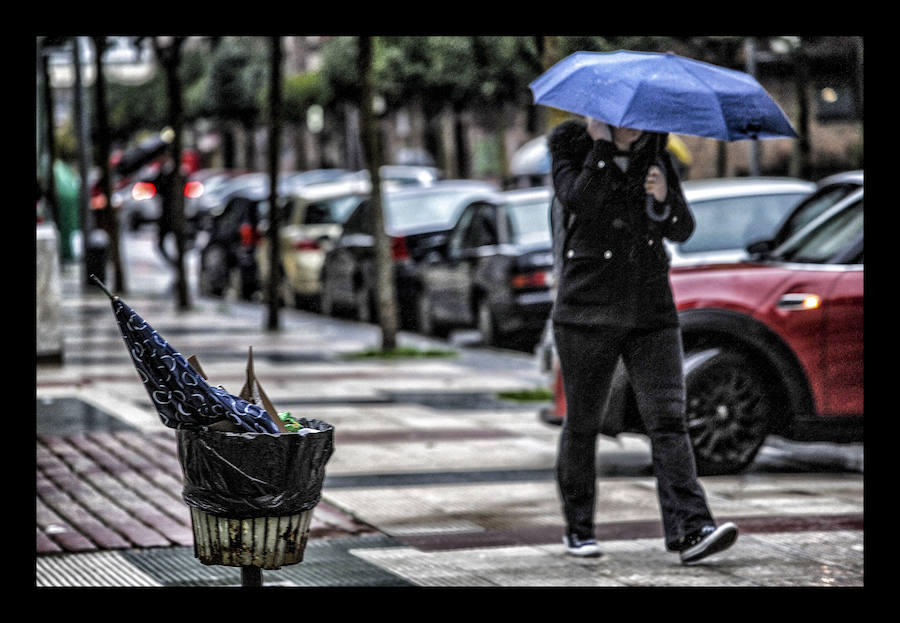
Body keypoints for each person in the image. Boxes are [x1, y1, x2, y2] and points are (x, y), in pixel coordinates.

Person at [548, 116, 738, 564]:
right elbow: (580, 200)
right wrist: (598, 150)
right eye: (624, 123)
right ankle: (579, 528)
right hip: (587, 311)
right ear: (604, 119)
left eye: (640, 122)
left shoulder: (658, 157)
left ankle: (692, 530)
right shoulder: (571, 149)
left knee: (669, 421)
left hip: (651, 311)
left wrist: (663, 196)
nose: (635, 129)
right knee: (584, 423)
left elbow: (682, 228)